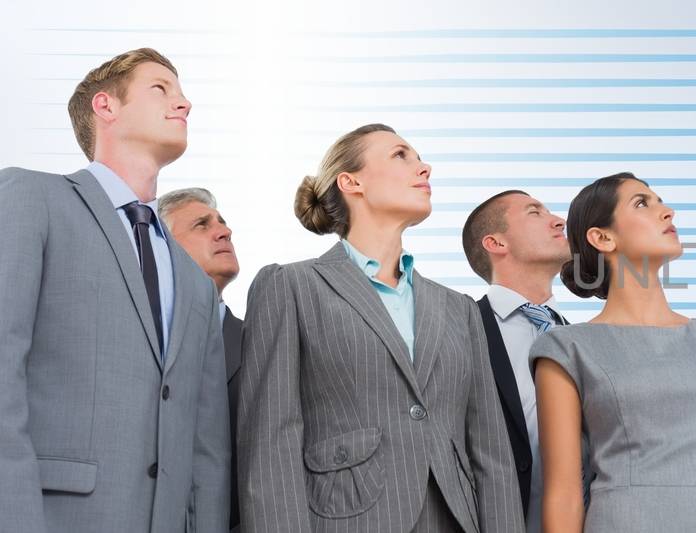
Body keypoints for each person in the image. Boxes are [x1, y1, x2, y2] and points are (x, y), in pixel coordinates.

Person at [236, 123, 521, 532]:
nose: (424, 168)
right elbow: (270, 446)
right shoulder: (290, 287)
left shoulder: (458, 309)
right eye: (401, 155)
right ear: (351, 182)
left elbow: (492, 455)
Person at [0, 48, 230, 532]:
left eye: (183, 93)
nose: (183, 103)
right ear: (106, 107)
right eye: (161, 89)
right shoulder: (32, 199)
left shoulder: (195, 282)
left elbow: (206, 449)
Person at [531, 172, 696, 532]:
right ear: (602, 237)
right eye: (643, 203)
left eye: (662, 202)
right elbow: (563, 496)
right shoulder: (565, 349)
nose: (668, 212)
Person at [462, 190, 594, 532]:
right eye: (535, 213)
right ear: (496, 243)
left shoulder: (584, 342)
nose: (559, 221)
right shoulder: (459, 330)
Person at [157, 186, 245, 530]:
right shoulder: (134, 339)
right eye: (201, 225)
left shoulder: (262, 343)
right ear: (163, 247)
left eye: (222, 222)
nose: (224, 231)